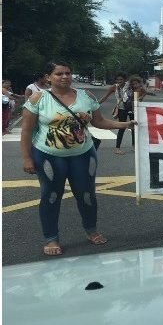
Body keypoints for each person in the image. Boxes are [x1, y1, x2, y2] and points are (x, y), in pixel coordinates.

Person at [20, 61, 137, 256]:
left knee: (86, 195)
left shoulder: (86, 96)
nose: (65, 76)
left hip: (83, 155)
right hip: (49, 156)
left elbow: (99, 121)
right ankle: (51, 238)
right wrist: (26, 158)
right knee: (51, 196)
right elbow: (26, 130)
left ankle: (91, 230)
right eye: (59, 74)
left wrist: (125, 125)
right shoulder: (38, 99)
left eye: (68, 73)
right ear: (48, 77)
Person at [98, 73, 132, 154]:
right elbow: (105, 97)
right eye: (117, 79)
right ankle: (117, 148)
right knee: (121, 127)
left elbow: (140, 90)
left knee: (134, 127)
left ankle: (134, 146)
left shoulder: (129, 85)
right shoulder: (114, 87)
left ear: (125, 80)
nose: (119, 81)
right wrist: (95, 105)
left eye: (121, 79)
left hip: (132, 108)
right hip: (121, 109)